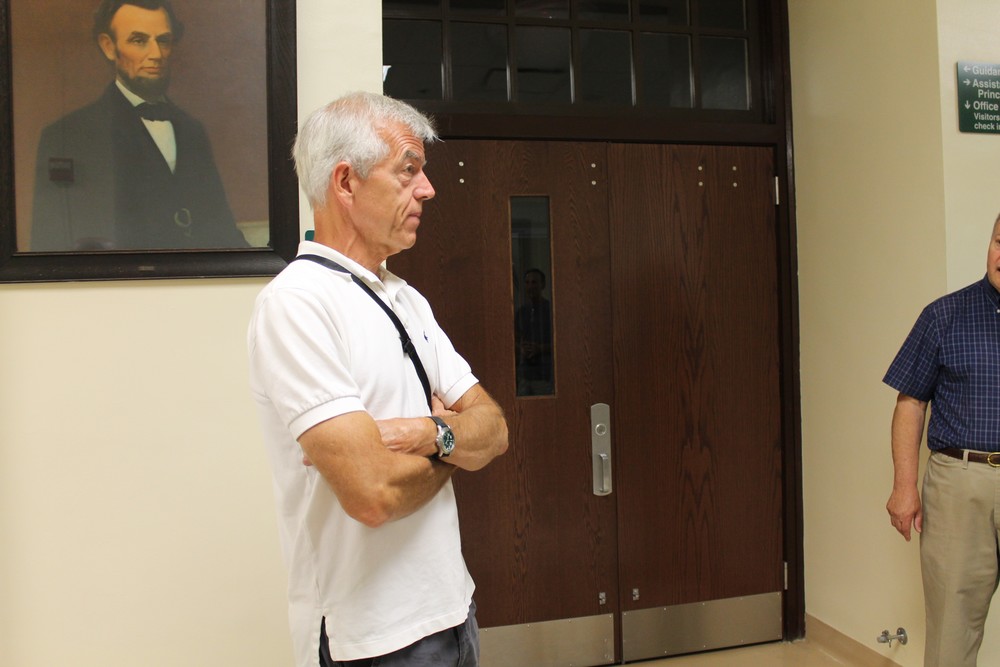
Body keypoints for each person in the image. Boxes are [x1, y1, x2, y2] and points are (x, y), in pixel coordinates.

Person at [247, 91, 509, 667]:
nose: (428, 190)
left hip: (453, 611)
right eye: (408, 171)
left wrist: (427, 434)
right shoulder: (298, 304)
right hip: (371, 640)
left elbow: (493, 431)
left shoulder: (405, 298)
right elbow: (373, 495)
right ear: (346, 182)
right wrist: (452, 447)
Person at [31, 0, 247, 251]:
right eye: (139, 40)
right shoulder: (68, 136)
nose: (156, 54)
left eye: (163, 40)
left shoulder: (192, 130)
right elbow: (49, 245)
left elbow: (222, 230)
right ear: (109, 47)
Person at [884, 211, 1000, 667]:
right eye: (999, 242)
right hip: (959, 484)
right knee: (953, 627)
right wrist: (903, 487)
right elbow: (910, 403)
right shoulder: (944, 315)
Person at [514, 267, 553, 395]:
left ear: (543, 285)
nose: (530, 286)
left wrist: (540, 348)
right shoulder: (521, 312)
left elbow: (561, 344)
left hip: (545, 375)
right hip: (524, 375)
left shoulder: (551, 310)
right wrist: (521, 349)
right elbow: (514, 338)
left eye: (534, 282)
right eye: (527, 282)